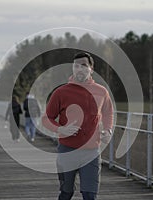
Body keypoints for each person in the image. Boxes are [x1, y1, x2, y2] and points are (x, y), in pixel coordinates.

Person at [42, 52, 114, 200]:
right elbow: (46, 118)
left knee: (90, 195)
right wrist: (60, 129)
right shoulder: (61, 92)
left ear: (91, 69)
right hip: (67, 151)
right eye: (76, 66)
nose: (79, 69)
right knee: (66, 193)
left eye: (84, 66)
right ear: (72, 69)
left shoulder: (102, 92)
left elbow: (108, 113)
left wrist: (108, 130)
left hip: (91, 152)